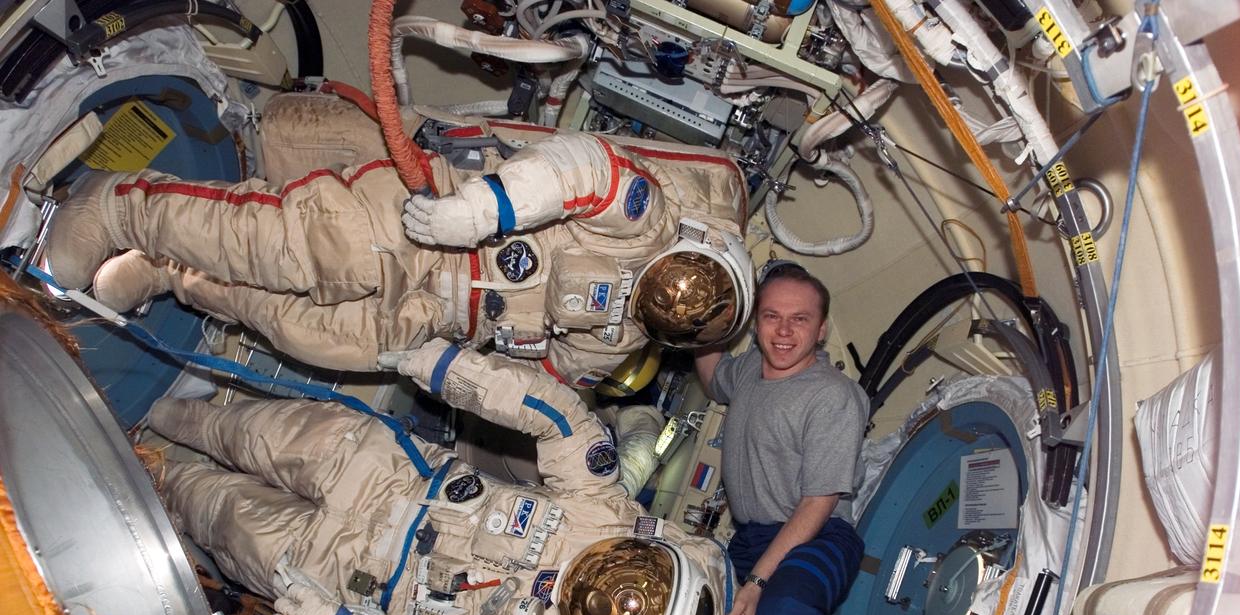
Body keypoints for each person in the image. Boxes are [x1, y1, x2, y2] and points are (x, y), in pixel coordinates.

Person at [150, 339, 730, 615]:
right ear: (653, 552)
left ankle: (143, 470)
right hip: (385, 470)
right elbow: (557, 416)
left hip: (338, 571)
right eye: (639, 578)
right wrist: (451, 371)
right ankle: (164, 410)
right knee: (240, 429)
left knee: (209, 507)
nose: (609, 593)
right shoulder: (604, 513)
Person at [42, 92, 754, 386]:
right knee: (288, 249)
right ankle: (114, 207)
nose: (679, 300)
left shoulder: (616, 341)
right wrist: (480, 210)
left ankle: (168, 273)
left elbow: (548, 379)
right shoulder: (647, 217)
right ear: (699, 251)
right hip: (435, 227)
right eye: (695, 286)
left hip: (441, 320)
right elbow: (583, 169)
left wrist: (456, 369)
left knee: (303, 333)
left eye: (690, 317)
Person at [689, 262, 879, 615]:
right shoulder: (749, 370)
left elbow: (819, 501)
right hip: (748, 540)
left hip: (816, 535)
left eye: (800, 320)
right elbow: (713, 374)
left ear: (821, 329)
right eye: (771, 316)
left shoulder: (832, 395)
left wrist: (757, 582)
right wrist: (700, 321)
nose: (784, 331)